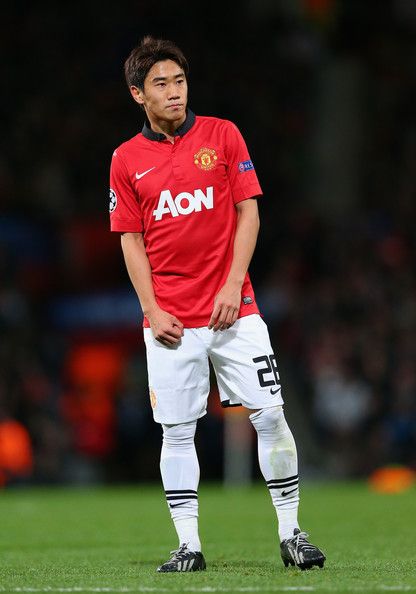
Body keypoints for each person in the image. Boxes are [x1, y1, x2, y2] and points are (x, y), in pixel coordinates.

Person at [109, 35, 325, 573]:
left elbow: (248, 213)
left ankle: (292, 533)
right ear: (139, 94)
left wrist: (233, 286)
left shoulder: (222, 135)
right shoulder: (125, 160)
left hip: (236, 310)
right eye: (161, 84)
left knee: (271, 414)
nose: (175, 92)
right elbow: (129, 240)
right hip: (170, 321)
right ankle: (189, 545)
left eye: (179, 81)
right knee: (178, 431)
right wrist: (152, 310)